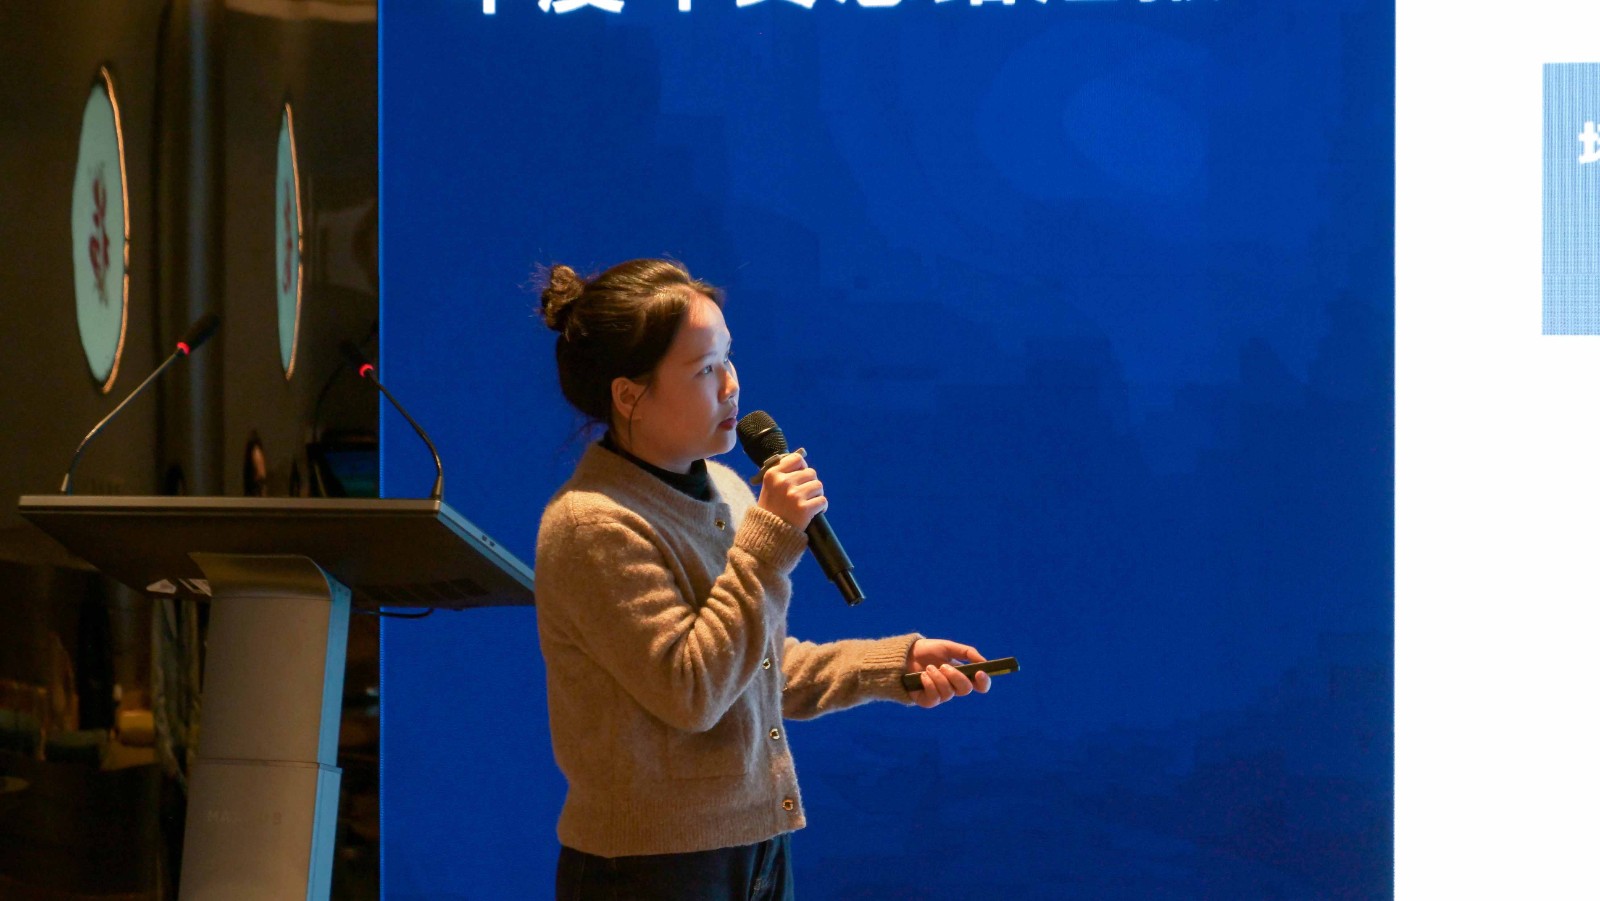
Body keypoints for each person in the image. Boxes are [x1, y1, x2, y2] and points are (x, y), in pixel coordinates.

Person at [533, 259, 991, 900]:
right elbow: (693, 691)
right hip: (650, 866)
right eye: (704, 369)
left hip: (757, 848)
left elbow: (753, 669)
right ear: (629, 396)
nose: (732, 386)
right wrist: (770, 541)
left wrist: (890, 667)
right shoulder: (593, 523)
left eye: (728, 358)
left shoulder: (725, 488)